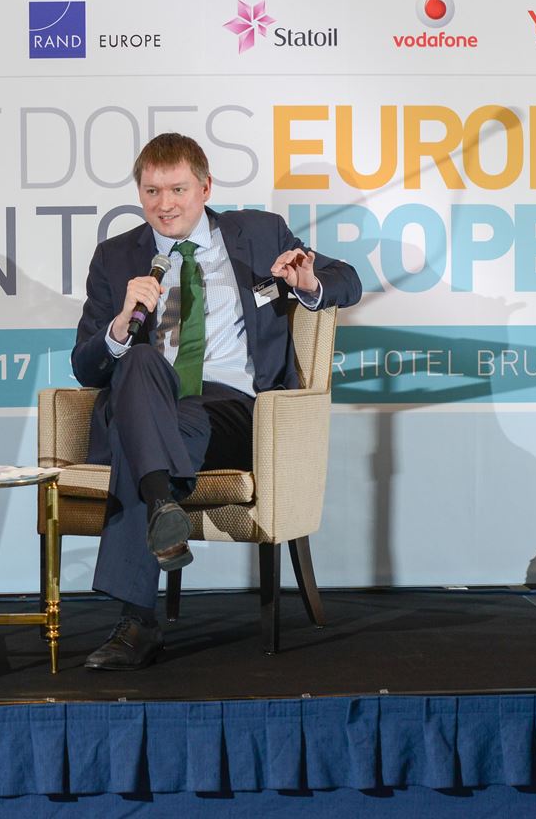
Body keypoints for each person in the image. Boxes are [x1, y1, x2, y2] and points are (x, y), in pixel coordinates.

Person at [71, 133, 362, 670]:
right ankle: (163, 507)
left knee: (140, 439)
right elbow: (86, 367)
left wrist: (307, 283)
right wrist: (120, 326)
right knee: (138, 362)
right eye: (152, 191)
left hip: (228, 411)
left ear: (205, 188)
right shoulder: (115, 256)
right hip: (147, 400)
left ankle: (137, 620)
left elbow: (349, 281)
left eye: (177, 189)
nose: (164, 205)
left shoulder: (260, 234)